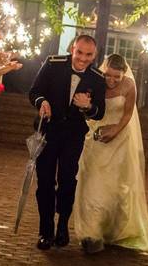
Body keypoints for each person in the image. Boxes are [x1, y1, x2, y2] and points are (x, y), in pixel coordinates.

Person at [73, 54, 148, 253]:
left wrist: (116, 130)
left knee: (115, 188)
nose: (111, 81)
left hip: (120, 139)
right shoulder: (95, 81)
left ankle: (112, 230)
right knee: (91, 185)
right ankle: (91, 233)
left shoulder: (129, 85)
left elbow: (128, 113)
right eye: (108, 75)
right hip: (96, 136)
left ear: (123, 74)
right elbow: (89, 108)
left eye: (116, 77)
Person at [28, 35, 106, 250]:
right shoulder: (53, 64)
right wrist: (41, 102)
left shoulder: (98, 78)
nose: (82, 58)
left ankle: (62, 224)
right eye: (79, 52)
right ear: (73, 48)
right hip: (48, 131)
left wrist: (88, 107)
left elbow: (100, 113)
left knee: (67, 181)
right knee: (44, 181)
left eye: (88, 55)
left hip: (73, 135)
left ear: (95, 55)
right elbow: (34, 91)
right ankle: (46, 230)